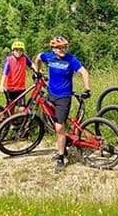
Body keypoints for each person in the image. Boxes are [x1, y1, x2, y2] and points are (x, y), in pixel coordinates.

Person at [34, 35, 91, 173]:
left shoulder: (71, 59)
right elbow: (38, 57)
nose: (63, 50)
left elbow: (84, 72)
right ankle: (64, 147)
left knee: (59, 128)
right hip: (51, 94)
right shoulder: (49, 57)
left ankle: (61, 158)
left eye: (65, 47)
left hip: (64, 98)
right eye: (60, 48)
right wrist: (38, 72)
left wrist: (87, 88)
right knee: (55, 124)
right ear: (53, 49)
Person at [0, 40, 32, 109]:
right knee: (10, 108)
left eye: (20, 50)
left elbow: (31, 65)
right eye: (16, 50)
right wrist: (1, 85)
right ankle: (6, 115)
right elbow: (4, 74)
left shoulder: (24, 58)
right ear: (13, 51)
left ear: (23, 51)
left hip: (21, 89)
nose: (18, 52)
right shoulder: (9, 60)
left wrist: (38, 71)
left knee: (22, 109)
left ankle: (19, 116)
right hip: (10, 89)